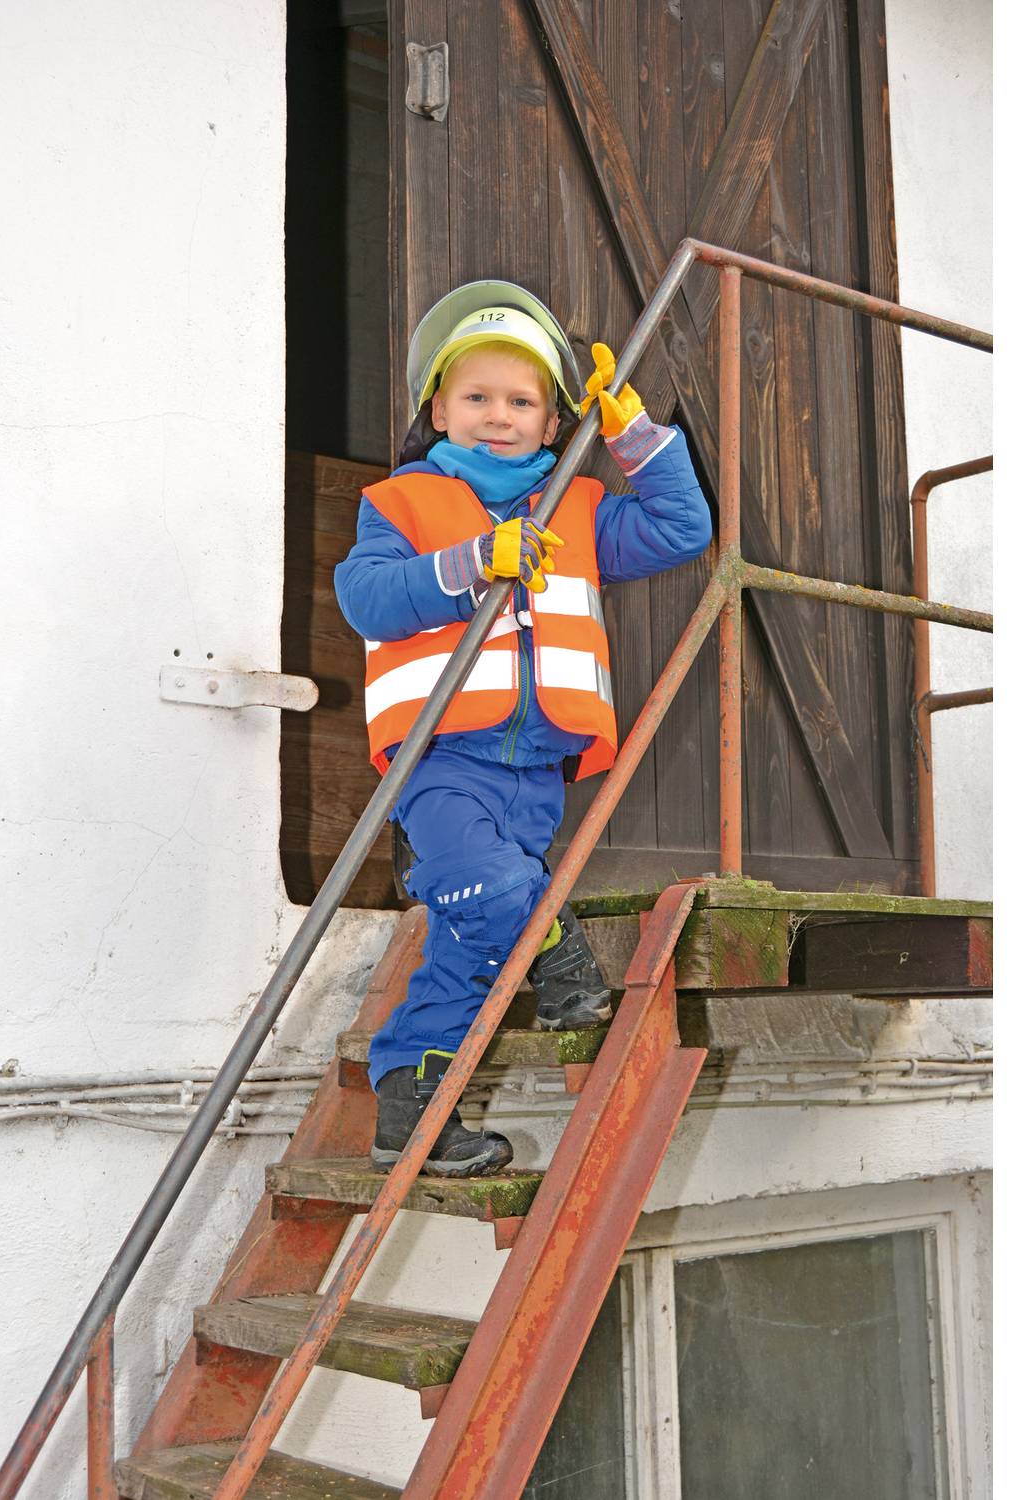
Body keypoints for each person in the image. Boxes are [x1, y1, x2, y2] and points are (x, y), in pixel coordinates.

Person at [334, 280, 711, 1177]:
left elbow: (681, 528)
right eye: (476, 398)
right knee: (484, 882)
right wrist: (469, 563)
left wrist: (631, 435)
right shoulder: (400, 502)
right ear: (438, 409)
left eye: (522, 401)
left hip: (538, 767)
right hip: (443, 757)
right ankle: (560, 951)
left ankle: (409, 1100)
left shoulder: (575, 508)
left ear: (551, 423)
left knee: (466, 937)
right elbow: (367, 597)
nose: (498, 417)